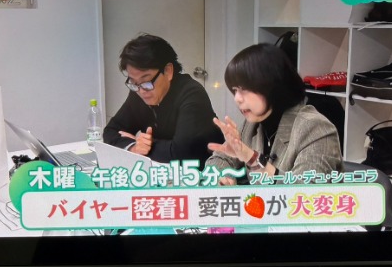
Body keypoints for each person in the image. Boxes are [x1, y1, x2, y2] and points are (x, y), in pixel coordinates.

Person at [207, 43, 343, 185]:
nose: (237, 99)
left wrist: (251, 158)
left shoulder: (315, 128)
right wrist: (224, 177)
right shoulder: (251, 124)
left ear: (272, 86)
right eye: (235, 90)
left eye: (245, 89)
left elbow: (304, 192)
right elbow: (219, 159)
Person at [103, 33, 223, 166]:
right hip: (162, 169)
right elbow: (110, 131)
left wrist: (145, 146)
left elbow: (182, 153)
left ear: (168, 71)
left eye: (147, 81)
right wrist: (133, 147)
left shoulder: (192, 94)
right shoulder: (139, 91)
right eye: (134, 82)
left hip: (206, 171)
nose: (141, 90)